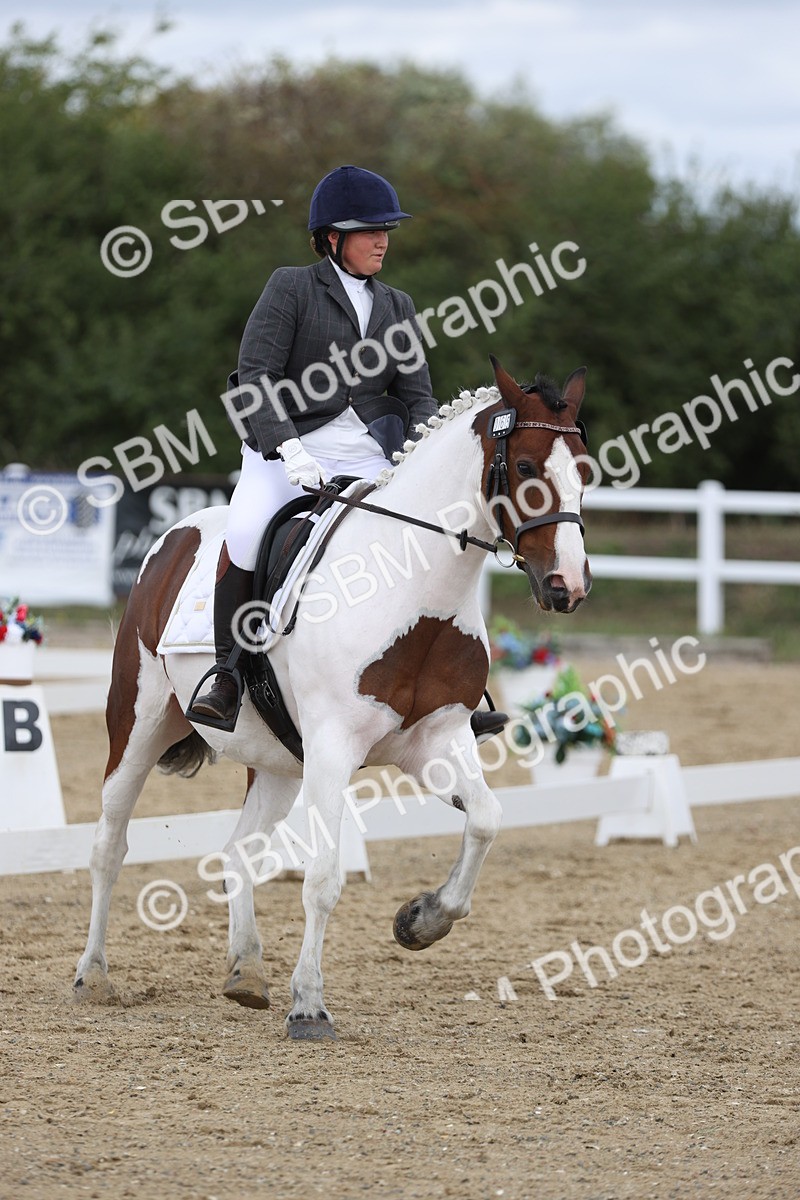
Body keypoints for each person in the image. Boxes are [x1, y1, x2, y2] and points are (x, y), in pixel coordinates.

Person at [188, 165, 506, 741]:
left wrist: (420, 461)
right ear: (332, 238)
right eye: (369, 230)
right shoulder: (291, 287)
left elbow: (418, 397)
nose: (383, 240)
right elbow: (255, 375)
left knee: (433, 536)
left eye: (387, 230)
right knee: (249, 531)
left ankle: (456, 683)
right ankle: (227, 674)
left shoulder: (398, 304)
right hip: (287, 448)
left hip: (365, 452)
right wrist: (286, 448)